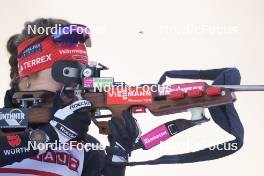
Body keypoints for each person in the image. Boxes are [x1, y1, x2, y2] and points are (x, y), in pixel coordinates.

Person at [0, 18, 140, 176]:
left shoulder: (86, 148)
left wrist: (118, 159)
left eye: (81, 75)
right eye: (65, 73)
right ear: (26, 80)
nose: (74, 85)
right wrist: (53, 134)